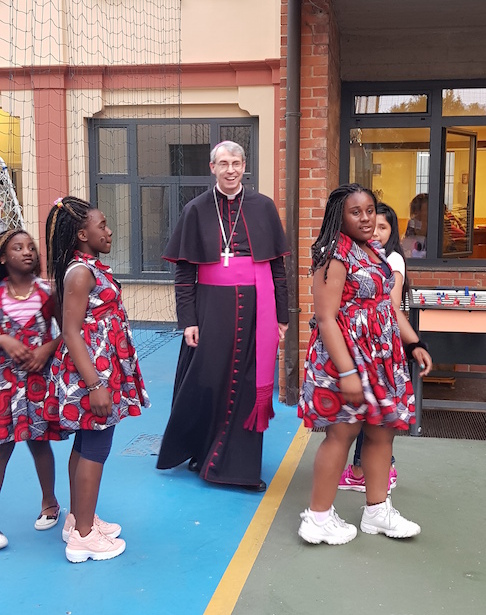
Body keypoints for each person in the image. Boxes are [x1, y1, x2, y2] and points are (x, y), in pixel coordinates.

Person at [298, 183, 432, 545]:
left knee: (382, 431)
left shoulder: (372, 250)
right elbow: (326, 318)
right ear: (339, 216)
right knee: (342, 433)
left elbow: (386, 306)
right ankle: (318, 518)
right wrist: (347, 372)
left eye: (370, 210)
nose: (366, 218)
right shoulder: (334, 256)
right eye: (355, 212)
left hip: (379, 358)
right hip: (346, 357)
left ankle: (377, 510)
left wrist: (414, 342)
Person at [156, 140, 289, 492]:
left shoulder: (263, 206)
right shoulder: (196, 209)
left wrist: (282, 316)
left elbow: (278, 267)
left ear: (245, 166)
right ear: (212, 167)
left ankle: (237, 467)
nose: (231, 170)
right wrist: (188, 320)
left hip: (257, 307)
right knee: (208, 381)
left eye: (236, 163)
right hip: (210, 308)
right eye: (224, 163)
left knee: (247, 383)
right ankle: (201, 450)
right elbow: (184, 272)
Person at [46, 196, 150, 562]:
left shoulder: (89, 267)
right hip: (92, 373)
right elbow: (71, 331)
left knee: (85, 443)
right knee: (96, 447)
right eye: (101, 225)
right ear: (81, 234)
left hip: (102, 367)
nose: (108, 231)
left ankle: (79, 518)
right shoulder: (80, 272)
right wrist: (95, 385)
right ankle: (84, 538)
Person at [0, 229, 64, 550]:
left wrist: (46, 350)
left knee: (39, 443)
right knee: (1, 448)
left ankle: (50, 502)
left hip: (37, 385)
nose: (27, 252)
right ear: (3, 258)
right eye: (17, 247)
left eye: (30, 247)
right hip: (4, 385)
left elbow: (68, 331)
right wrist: (4, 338)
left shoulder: (46, 292)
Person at [338, 202, 407, 493]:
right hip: (366, 345)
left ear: (393, 231)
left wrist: (413, 341)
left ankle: (377, 469)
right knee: (370, 412)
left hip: (381, 346)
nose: (375, 231)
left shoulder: (392, 259)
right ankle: (363, 470)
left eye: (383, 227)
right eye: (372, 224)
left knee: (378, 414)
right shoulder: (363, 254)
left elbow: (391, 305)